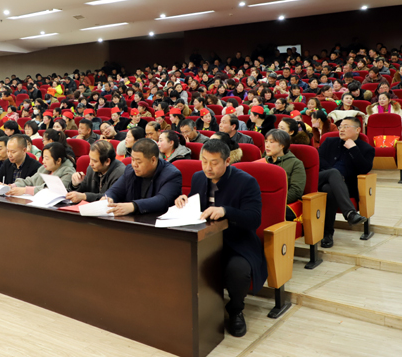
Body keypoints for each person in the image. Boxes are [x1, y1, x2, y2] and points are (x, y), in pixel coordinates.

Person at [173, 139, 267, 338]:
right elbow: (196, 207)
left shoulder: (246, 182)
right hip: (205, 239)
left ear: (227, 161)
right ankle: (193, 308)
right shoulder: (199, 177)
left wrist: (226, 211)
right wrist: (184, 201)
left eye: (214, 163)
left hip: (237, 241)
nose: (208, 167)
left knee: (238, 270)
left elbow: (254, 219)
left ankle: (236, 310)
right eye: (204, 161)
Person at [317, 117, 373, 248]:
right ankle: (350, 213)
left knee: (330, 190)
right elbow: (317, 159)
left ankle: (327, 234)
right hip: (321, 178)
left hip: (344, 186)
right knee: (334, 173)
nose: (341, 129)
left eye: (346, 127)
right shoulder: (329, 141)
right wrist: (333, 174)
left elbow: (364, 169)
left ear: (358, 130)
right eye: (340, 126)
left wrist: (353, 149)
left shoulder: (366, 149)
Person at [104, 138, 182, 216]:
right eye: (132, 160)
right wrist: (109, 198)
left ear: (153, 160)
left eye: (138, 161)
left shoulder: (172, 175)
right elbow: (114, 190)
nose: (134, 165)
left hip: (157, 220)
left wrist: (133, 206)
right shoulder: (130, 170)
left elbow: (162, 200)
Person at [264, 129, 306, 220]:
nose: (267, 145)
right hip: (264, 201)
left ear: (282, 145)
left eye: (271, 142)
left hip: (287, 203)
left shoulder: (296, 163)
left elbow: (296, 191)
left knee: (267, 212)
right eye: (266, 141)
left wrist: (274, 201)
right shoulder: (263, 161)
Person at [5, 142, 76, 196]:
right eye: (43, 158)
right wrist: (12, 186)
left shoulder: (68, 172)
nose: (43, 161)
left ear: (58, 160)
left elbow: (51, 190)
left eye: (47, 159)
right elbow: (30, 181)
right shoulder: (44, 168)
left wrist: (24, 190)